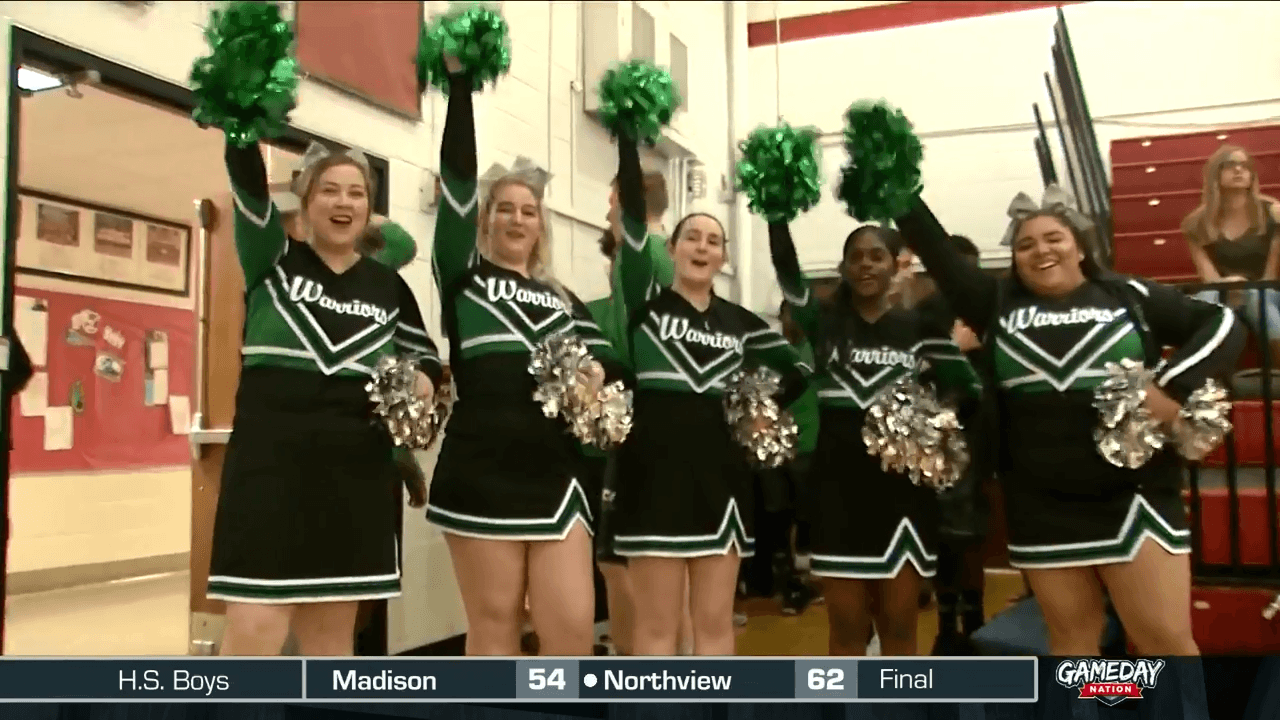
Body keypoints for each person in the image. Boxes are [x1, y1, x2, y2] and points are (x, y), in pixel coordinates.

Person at [895, 185, 1245, 655]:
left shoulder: (1128, 294)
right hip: (1042, 505)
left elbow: (1222, 325)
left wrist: (1172, 387)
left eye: (1054, 237)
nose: (1041, 249)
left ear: (1080, 245)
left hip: (1133, 500)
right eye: (1025, 243)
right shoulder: (995, 304)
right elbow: (938, 254)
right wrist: (897, 190)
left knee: (1164, 642)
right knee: (1073, 645)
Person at [208, 137, 443, 656]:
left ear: (369, 206)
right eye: (329, 191)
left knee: (331, 637)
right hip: (269, 474)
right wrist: (242, 123)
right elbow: (245, 181)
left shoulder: (387, 286)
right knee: (254, 628)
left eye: (356, 193)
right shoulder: (271, 257)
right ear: (305, 200)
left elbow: (424, 357)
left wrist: (422, 382)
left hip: (354, 478)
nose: (343, 203)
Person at [425, 55, 626, 656]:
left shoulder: (565, 300)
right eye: (504, 207)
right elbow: (457, 183)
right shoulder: (463, 278)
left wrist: (595, 377)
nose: (517, 217)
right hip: (481, 471)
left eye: (529, 210)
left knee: (570, 630)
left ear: (542, 225)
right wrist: (459, 87)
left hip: (557, 477)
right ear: (485, 220)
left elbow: (613, 368)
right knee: (495, 626)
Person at [607, 134, 810, 656]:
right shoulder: (645, 306)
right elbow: (631, 224)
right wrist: (630, 138)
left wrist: (763, 410)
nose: (702, 246)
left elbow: (801, 367)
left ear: (722, 257)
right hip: (653, 486)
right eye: (691, 237)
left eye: (713, 240)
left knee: (715, 625)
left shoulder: (742, 324)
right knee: (656, 630)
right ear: (670, 250)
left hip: (722, 486)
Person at [767, 220, 980, 656]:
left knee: (899, 628)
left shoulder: (921, 327)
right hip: (837, 494)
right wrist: (776, 213)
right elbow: (788, 271)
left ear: (896, 264)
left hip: (902, 496)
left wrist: (934, 422)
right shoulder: (823, 321)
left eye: (876, 255)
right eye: (855, 256)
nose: (865, 264)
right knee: (846, 631)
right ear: (844, 267)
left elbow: (965, 388)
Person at [913, 234, 992, 654]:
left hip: (982, 432)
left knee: (971, 531)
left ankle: (975, 619)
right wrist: (954, 352)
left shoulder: (992, 310)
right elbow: (912, 373)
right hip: (936, 430)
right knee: (944, 531)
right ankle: (947, 624)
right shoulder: (924, 314)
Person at [1182, 144, 1280, 361]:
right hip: (1223, 292)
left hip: (1267, 292)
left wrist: (1245, 287)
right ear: (1216, 174)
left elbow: (1270, 277)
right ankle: (1200, 373)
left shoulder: (1271, 212)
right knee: (1206, 297)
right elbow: (1210, 280)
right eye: (1230, 166)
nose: (1238, 170)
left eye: (1244, 166)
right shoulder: (1196, 223)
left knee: (1256, 295)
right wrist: (1229, 286)